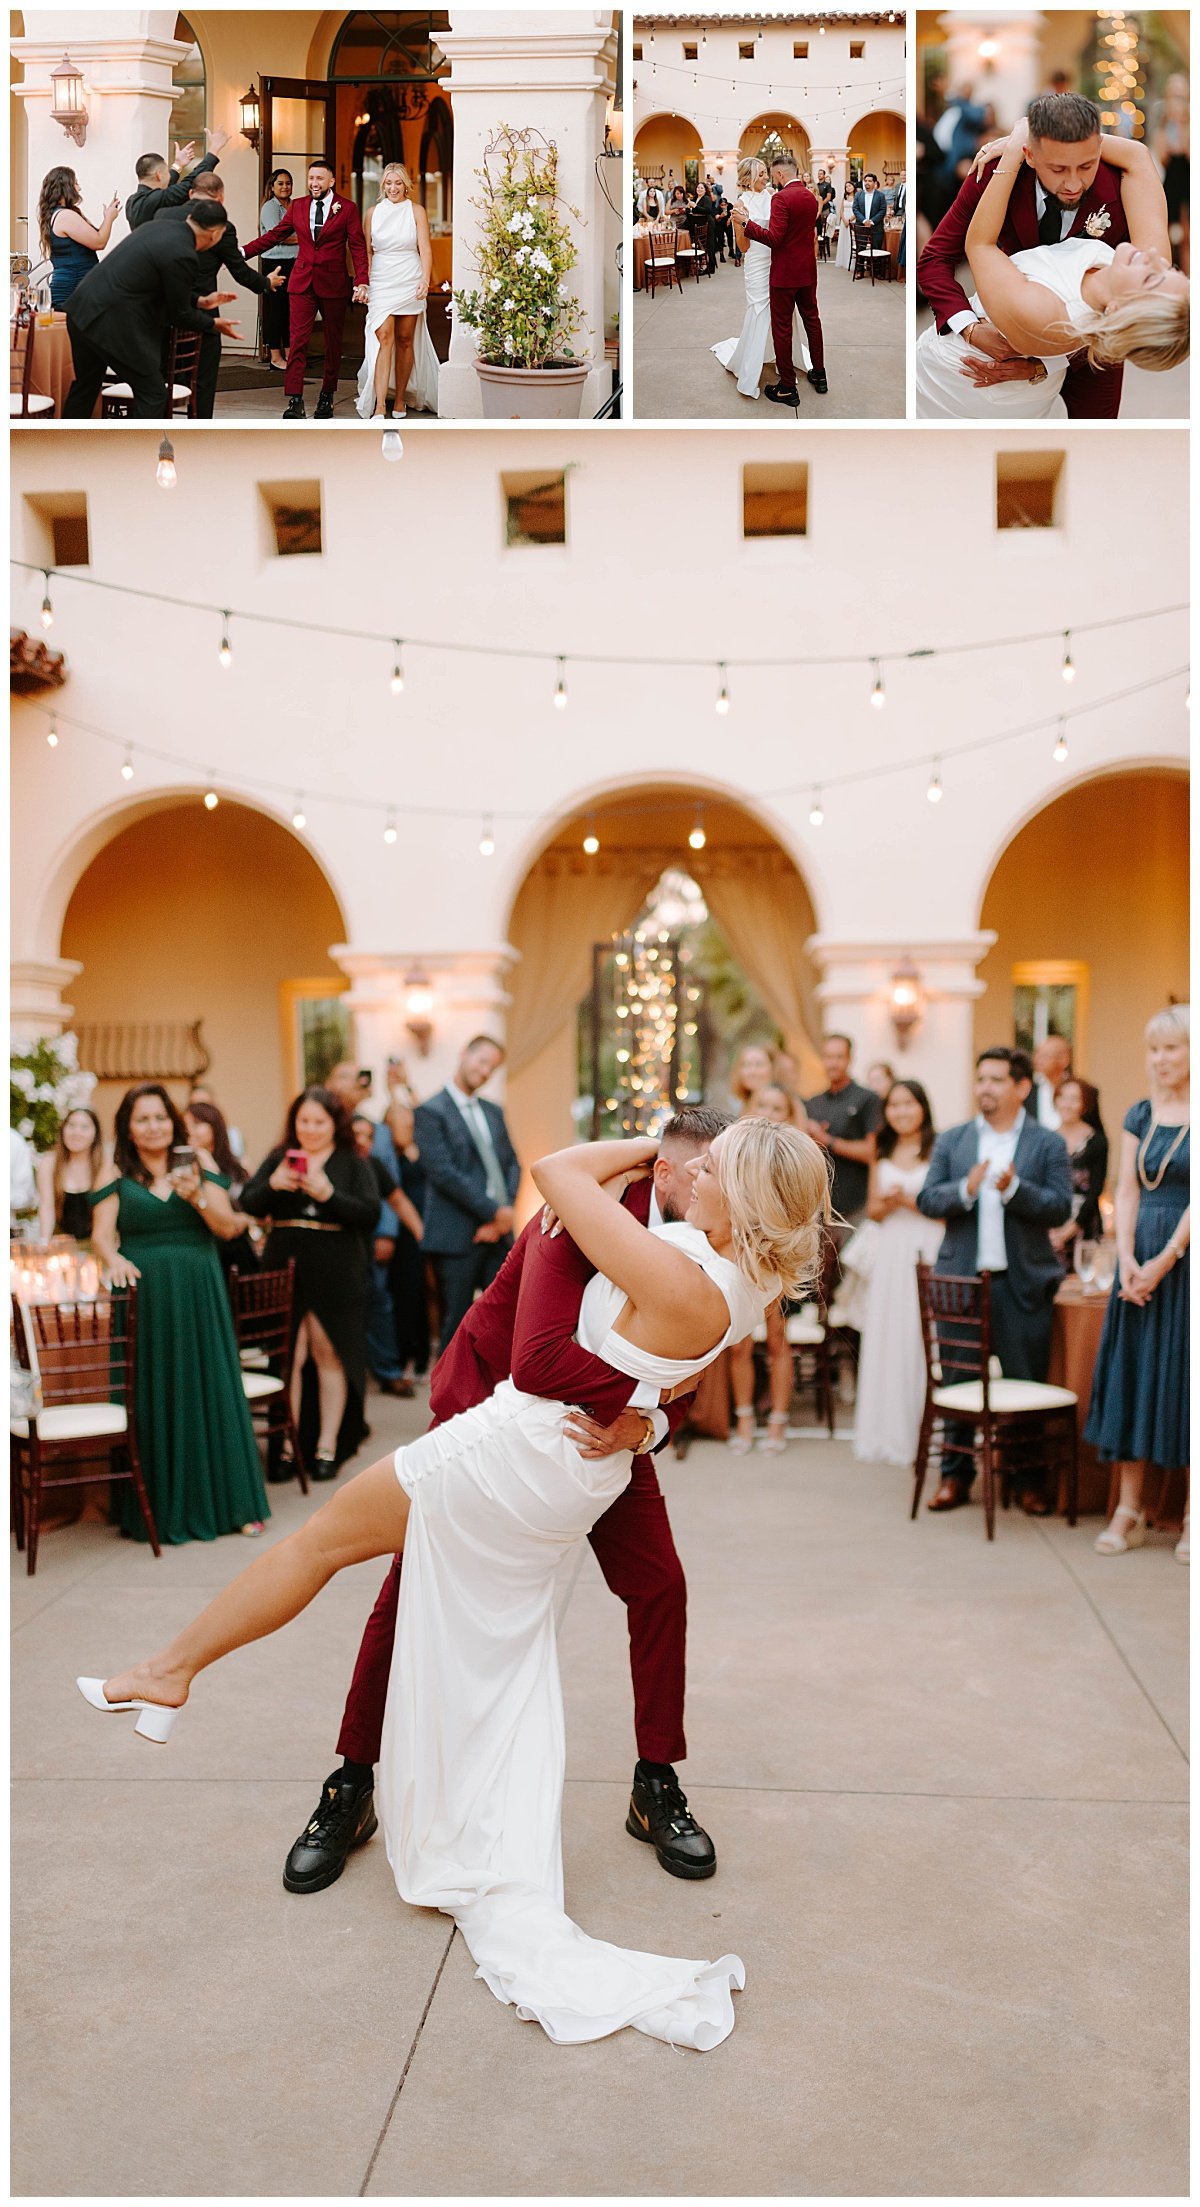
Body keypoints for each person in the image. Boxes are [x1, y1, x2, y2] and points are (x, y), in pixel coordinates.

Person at [77, 1116, 830, 2051]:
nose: (685, 1166)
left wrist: (629, 1155)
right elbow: (664, 1376)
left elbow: (553, 1213)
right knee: (485, 1639)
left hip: (513, 1450)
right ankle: (336, 1764)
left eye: (708, 1164)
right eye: (687, 1153)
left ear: (742, 1196)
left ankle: (169, 1670)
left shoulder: (669, 1257)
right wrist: (644, 1424)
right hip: (557, 1461)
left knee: (319, 1545)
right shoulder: (739, 1268)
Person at [282, 1104, 730, 1898]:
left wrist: (646, 1425)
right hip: (490, 1409)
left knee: (659, 1582)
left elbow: (694, 1357)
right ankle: (350, 1785)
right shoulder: (580, 1207)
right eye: (702, 1169)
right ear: (662, 1170)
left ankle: (654, 1783)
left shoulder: (714, 1234)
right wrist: (636, 1408)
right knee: (406, 1585)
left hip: (606, 1433)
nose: (715, 1186)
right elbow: (533, 1360)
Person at [917, 97, 1189, 419]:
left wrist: (1042, 364)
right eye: (1058, 168)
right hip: (991, 359)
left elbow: (1132, 321)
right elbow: (935, 259)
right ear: (1030, 156)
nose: (1074, 185)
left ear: (1099, 149)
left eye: (1087, 166)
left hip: (1100, 355)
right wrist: (970, 328)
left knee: (1089, 447)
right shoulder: (996, 173)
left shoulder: (1121, 185)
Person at [89, 1083, 269, 1543]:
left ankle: (235, 1504)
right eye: (143, 1119)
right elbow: (102, 1234)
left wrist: (198, 1198)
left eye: (161, 1117)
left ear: (174, 1122)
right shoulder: (113, 1170)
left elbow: (229, 1228)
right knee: (156, 1390)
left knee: (210, 1385)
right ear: (128, 1129)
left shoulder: (199, 1163)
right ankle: (159, 1510)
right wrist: (112, 1260)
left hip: (197, 1288)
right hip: (144, 1294)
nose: (154, 1127)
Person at [917, 1047, 1073, 1514]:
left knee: (1026, 1384)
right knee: (960, 1381)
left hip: (1022, 1285)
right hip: (962, 1284)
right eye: (980, 1078)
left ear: (1021, 1087)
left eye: (996, 1079)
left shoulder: (1048, 1144)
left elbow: (1061, 1206)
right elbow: (928, 1198)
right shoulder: (954, 1140)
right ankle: (954, 1478)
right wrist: (967, 1188)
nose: (984, 1087)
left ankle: (1027, 1481)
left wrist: (1016, 1191)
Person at [1088, 1007, 1189, 1560]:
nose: (1161, 1059)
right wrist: (1126, 1255)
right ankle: (1129, 1508)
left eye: (1173, 1048)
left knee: (1183, 1380)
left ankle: (1193, 1511)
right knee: (1134, 1375)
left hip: (1184, 1260)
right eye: (1154, 1049)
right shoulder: (1140, 1113)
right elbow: (1126, 1190)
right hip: (1138, 1262)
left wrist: (1166, 1258)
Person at [239, 1087, 379, 1478]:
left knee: (327, 1352)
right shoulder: (278, 1158)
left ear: (336, 1124)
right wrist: (274, 1186)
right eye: (304, 1121)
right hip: (285, 1263)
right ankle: (287, 1445)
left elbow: (369, 1213)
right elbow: (248, 1203)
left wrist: (329, 1194)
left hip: (336, 1266)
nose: (311, 1129)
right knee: (288, 1357)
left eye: (320, 1122)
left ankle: (327, 1446)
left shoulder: (353, 1163)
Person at [63, 202, 240, 418]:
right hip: (110, 322)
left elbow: (159, 285)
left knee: (85, 388)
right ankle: (137, 451)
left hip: (80, 310)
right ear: (215, 234)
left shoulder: (157, 227)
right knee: (154, 394)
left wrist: (200, 301)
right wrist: (213, 324)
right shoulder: (184, 253)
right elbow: (179, 314)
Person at [852, 1080, 943, 1467]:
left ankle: (928, 1432)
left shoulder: (938, 1146)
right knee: (888, 1333)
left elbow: (942, 1206)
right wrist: (889, 1205)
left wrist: (906, 1199)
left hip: (926, 1244)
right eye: (894, 1105)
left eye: (908, 1104)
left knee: (921, 1335)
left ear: (922, 1107)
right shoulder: (882, 1147)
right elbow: (872, 1208)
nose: (901, 1111)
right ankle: (886, 1433)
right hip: (891, 1248)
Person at [416, 1036, 520, 1353]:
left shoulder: (493, 1111)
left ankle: (496, 1395)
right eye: (482, 1061)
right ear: (464, 1053)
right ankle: (448, 1398)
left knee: (509, 1315)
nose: (485, 1071)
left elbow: (513, 1164)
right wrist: (493, 1211)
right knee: (458, 1323)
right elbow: (444, 1173)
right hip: (458, 1234)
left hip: (499, 1231)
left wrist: (503, 1215)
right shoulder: (430, 1112)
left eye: (493, 1067)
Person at [243, 159, 369, 421]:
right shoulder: (298, 206)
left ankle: (327, 395)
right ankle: (295, 399)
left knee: (332, 343)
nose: (314, 183)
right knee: (298, 341)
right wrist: (244, 251)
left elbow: (357, 247)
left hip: (333, 284)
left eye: (320, 179)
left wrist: (361, 280)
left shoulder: (346, 208)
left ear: (331, 181)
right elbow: (274, 235)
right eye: (311, 178)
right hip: (301, 283)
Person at [154, 171, 284, 416]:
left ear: (191, 193)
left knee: (163, 375)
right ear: (221, 199)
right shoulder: (222, 227)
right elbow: (240, 272)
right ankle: (200, 425)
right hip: (203, 310)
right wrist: (266, 283)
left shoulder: (163, 215)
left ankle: (162, 426)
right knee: (203, 379)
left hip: (165, 309)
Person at [356, 163, 437, 422]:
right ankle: (380, 404)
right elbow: (366, 251)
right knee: (383, 336)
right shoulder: (372, 213)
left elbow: (424, 248)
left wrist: (425, 280)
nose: (393, 188)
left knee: (404, 340)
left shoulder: (416, 211)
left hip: (409, 278)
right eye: (388, 183)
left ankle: (400, 397)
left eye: (398, 183)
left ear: (405, 186)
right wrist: (364, 282)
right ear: (383, 186)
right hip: (381, 279)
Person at [742, 153, 826, 404]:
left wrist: (747, 224)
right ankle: (819, 374)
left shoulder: (780, 198)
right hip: (808, 272)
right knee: (813, 321)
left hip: (784, 275)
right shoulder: (811, 198)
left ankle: (787, 387)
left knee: (782, 329)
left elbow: (775, 239)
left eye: (772, 174)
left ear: (779, 174)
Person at [351, 1111, 421, 1398]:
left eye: (369, 1136)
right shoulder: (339, 1165)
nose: (363, 1141)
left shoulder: (374, 1165)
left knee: (380, 1305)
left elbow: (398, 1199)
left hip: (366, 1252)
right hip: (341, 1257)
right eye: (357, 1134)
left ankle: (388, 1371)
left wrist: (421, 1235)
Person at [711, 158, 781, 399]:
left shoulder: (772, 196)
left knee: (779, 312)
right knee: (759, 310)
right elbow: (742, 247)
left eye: (765, 173)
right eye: (761, 174)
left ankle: (776, 353)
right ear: (748, 177)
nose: (766, 177)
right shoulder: (740, 203)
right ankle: (749, 373)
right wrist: (744, 223)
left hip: (777, 261)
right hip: (756, 265)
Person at [803, 1034, 883, 1224]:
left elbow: (873, 1152)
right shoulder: (813, 1103)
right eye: (828, 1057)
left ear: (850, 1059)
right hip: (818, 1208)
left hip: (856, 1207)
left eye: (839, 1057)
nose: (833, 1063)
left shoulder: (868, 1099)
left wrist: (827, 1140)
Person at [184, 1098, 258, 1275]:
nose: (190, 1130)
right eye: (185, 1125)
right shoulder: (185, 1169)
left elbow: (254, 1209)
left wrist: (243, 1219)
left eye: (197, 1123)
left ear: (215, 1127)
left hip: (235, 1252)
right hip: (199, 1251)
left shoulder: (238, 1168)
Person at [37, 168, 122, 309]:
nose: (79, 188)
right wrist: (109, 218)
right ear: (65, 187)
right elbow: (99, 242)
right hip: (72, 289)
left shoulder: (60, 214)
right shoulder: (65, 216)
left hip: (77, 287)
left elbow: (95, 238)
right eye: (76, 183)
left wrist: (108, 217)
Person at [1048, 1076, 1109, 1259]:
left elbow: (1095, 1190)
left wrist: (1069, 1231)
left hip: (1085, 1225)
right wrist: (1051, 1231)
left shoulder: (1097, 1141)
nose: (1067, 1104)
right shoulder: (1047, 1141)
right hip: (1051, 1226)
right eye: (1063, 1097)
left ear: (1085, 1104)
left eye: (1074, 1099)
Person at [36, 1106, 105, 1242]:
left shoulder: (104, 1166)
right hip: (61, 1245)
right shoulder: (50, 1163)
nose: (76, 1132)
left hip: (97, 1244)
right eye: (71, 1125)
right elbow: (46, 1207)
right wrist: (45, 1242)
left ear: (95, 1135)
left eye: (84, 1127)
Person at [125, 135, 226, 229]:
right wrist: (213, 151)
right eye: (167, 171)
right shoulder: (154, 200)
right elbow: (189, 184)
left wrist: (178, 165)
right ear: (159, 175)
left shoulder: (131, 202)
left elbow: (166, 190)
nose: (169, 174)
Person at [258, 169, 297, 370]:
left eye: (288, 183)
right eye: (280, 183)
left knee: (291, 310)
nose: (285, 187)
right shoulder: (269, 207)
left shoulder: (295, 205)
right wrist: (304, 238)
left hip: (294, 262)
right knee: (276, 310)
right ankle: (274, 356)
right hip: (275, 265)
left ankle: (291, 354)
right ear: (272, 187)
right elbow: (277, 236)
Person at [1032, 1032, 1072, 1126]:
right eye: (1037, 1055)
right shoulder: (1029, 1089)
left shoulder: (1081, 1090)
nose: (1038, 1060)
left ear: (1064, 1060)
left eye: (1044, 1056)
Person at [728, 1041, 778, 1115]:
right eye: (747, 1065)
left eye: (759, 1064)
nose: (752, 1071)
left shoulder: (776, 1101)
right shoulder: (743, 1103)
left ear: (772, 1068)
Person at [853, 170, 888, 251]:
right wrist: (864, 221)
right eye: (865, 181)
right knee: (860, 251)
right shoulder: (858, 195)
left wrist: (871, 221)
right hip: (861, 226)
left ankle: (872, 264)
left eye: (870, 181)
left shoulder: (881, 195)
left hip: (876, 227)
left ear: (875, 183)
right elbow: (855, 209)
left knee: (876, 251)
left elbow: (883, 210)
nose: (867, 183)